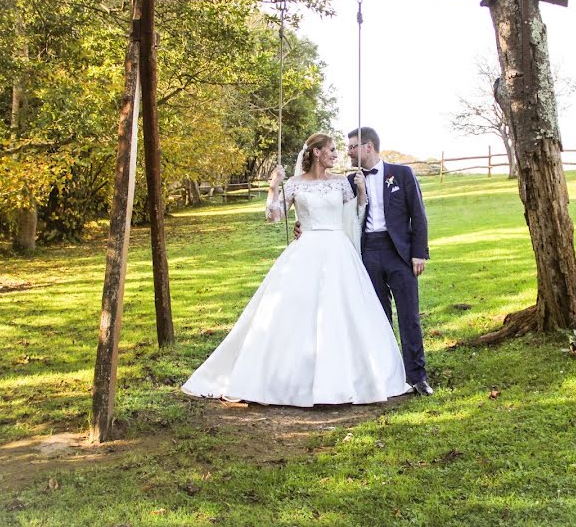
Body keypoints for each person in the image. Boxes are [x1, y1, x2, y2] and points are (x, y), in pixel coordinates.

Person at [181, 133, 410, 406]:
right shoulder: (294, 184)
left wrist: (361, 192)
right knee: (294, 312)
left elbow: (355, 218)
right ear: (315, 152)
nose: (337, 155)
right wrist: (273, 187)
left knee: (343, 312)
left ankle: (349, 377)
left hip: (339, 252)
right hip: (306, 252)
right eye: (332, 150)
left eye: (338, 150)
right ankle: (291, 377)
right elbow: (274, 217)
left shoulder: (341, 183)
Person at [297, 127, 433, 395]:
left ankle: (417, 376)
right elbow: (323, 206)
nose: (348, 151)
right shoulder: (347, 181)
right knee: (376, 317)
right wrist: (302, 227)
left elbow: (418, 214)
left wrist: (419, 252)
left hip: (400, 253)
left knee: (409, 316)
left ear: (368, 147)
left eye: (352, 147)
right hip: (367, 252)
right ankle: (384, 375)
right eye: (346, 147)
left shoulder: (402, 174)